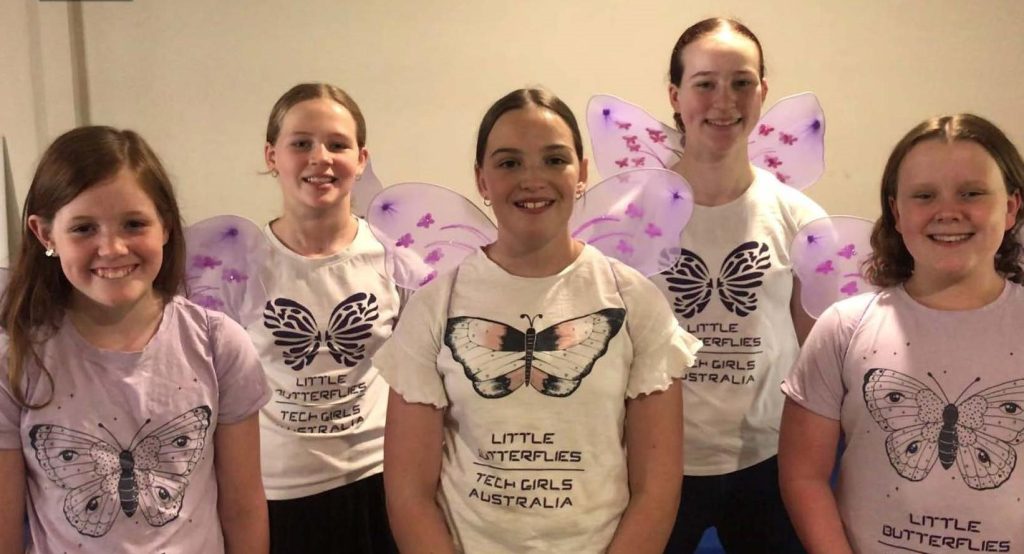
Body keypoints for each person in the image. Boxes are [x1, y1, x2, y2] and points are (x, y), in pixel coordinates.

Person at [377, 88, 700, 553]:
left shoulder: (634, 302)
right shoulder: (435, 306)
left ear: (582, 173)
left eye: (554, 160)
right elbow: (409, 495)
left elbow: (656, 490)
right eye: (509, 163)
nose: (533, 179)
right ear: (481, 180)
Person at [0, 126, 270, 553]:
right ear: (45, 234)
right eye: (84, 228)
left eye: (133, 223)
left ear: (165, 225)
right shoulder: (15, 361)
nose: (112, 247)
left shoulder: (219, 345)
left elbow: (243, 507)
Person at [779, 113, 1024, 553]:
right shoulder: (844, 327)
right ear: (896, 210)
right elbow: (804, 474)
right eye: (924, 195)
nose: (948, 211)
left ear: (1010, 207)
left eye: (972, 193)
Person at [653, 17, 826, 552]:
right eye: (705, 83)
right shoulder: (630, 218)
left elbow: (816, 359)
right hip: (658, 466)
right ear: (676, 95)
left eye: (741, 82)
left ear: (762, 93)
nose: (724, 100)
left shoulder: (798, 217)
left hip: (769, 464)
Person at [252, 83, 402, 553]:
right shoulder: (241, 263)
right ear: (272, 155)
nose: (321, 157)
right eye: (301, 143)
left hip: (377, 485)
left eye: (337, 144)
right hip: (276, 494)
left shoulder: (396, 258)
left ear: (361, 158)